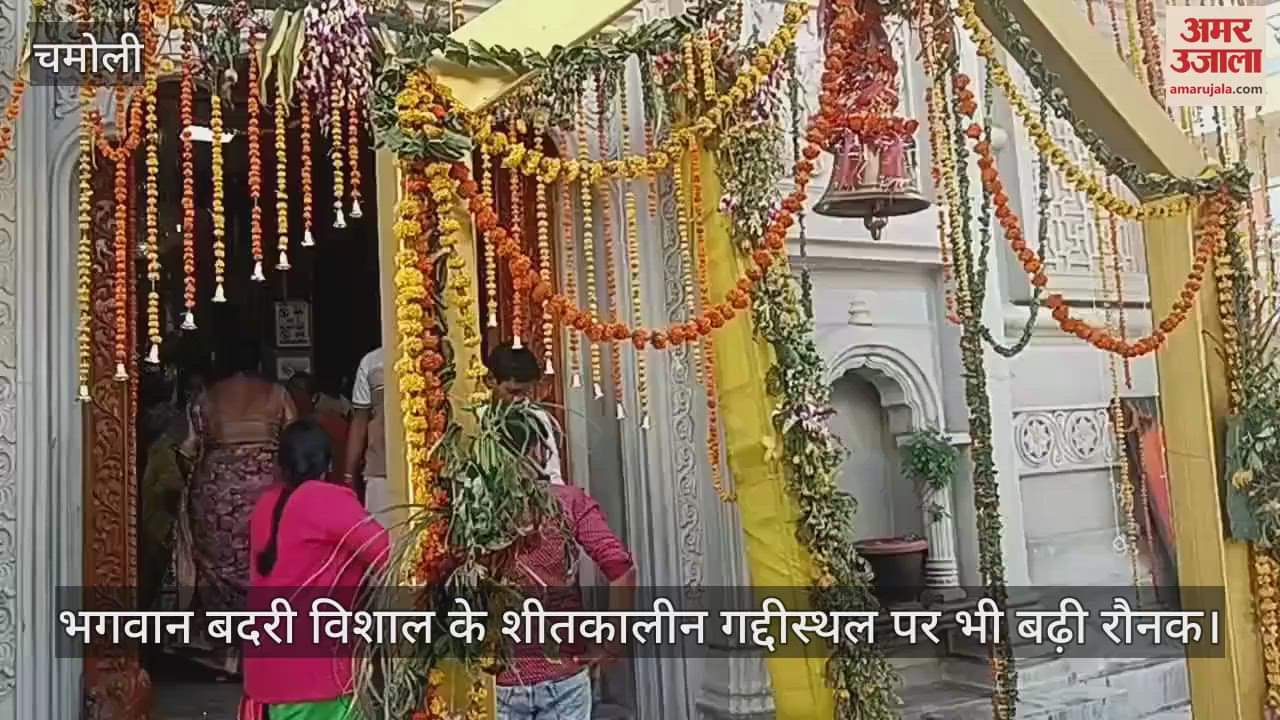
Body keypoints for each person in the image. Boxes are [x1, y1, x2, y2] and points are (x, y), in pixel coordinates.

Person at [240, 419, 389, 720]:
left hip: (264, 679)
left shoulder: (265, 505)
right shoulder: (328, 500)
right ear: (328, 464)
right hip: (315, 679)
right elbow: (388, 553)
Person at [495, 433, 635, 720]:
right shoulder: (568, 502)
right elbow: (621, 569)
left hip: (501, 681)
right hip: (563, 676)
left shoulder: (482, 513)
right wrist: (613, 647)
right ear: (542, 453)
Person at [181, 339, 296, 675]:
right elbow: (293, 445)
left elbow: (187, 449)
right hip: (268, 494)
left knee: (218, 573)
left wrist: (197, 485)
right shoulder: (278, 394)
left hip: (216, 496)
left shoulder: (206, 397)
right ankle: (265, 650)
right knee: (264, 568)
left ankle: (228, 657)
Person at [484, 342, 565, 486]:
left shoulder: (537, 417)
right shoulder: (479, 418)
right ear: (490, 380)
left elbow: (553, 474)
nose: (520, 400)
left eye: (526, 392)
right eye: (513, 392)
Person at [343, 347, 388, 518]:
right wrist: (349, 475)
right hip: (381, 471)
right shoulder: (372, 362)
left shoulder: (433, 357)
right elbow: (360, 421)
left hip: (431, 469)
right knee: (381, 541)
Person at [286, 371, 349, 485]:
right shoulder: (291, 429)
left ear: (314, 397)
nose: (291, 399)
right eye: (289, 394)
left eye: (296, 394)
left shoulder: (330, 424)